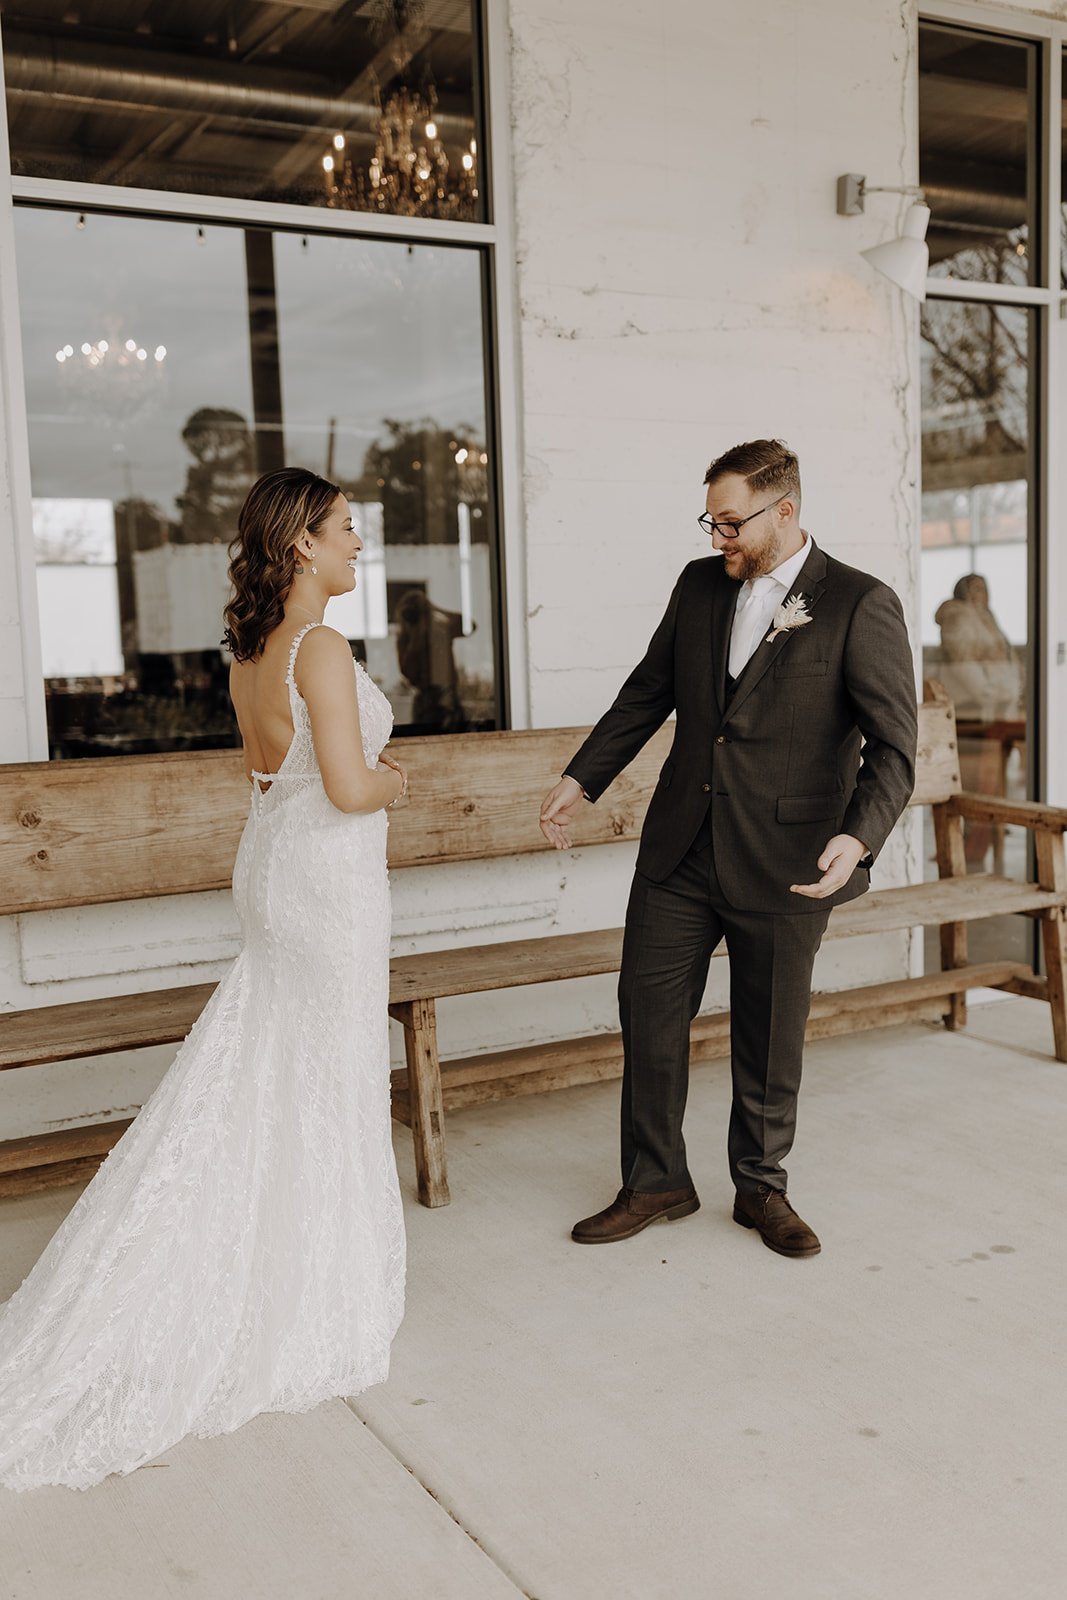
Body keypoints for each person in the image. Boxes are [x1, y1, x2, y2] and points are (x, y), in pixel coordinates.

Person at [0, 468, 408, 1491]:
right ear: (302, 545)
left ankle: (247, 1251)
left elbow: (268, 779)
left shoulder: (249, 654)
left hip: (275, 872)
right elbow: (351, 787)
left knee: (267, 1071)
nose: (360, 545)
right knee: (325, 1077)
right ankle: (310, 1290)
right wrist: (399, 778)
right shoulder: (319, 647)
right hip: (327, 886)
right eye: (347, 530)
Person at [540, 440, 916, 1259]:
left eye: (731, 523)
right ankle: (654, 1180)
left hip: (788, 859)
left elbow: (893, 747)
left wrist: (858, 836)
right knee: (647, 1012)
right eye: (709, 521)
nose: (719, 539)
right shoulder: (699, 585)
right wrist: (583, 777)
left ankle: (760, 1187)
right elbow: (648, 688)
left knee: (768, 1030)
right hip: (680, 849)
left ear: (785, 510)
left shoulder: (859, 603)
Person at [395, 589, 471, 732]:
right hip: (426, 702)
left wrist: (434, 609)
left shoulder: (440, 630)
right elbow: (408, 672)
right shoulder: (405, 639)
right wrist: (415, 640)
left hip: (448, 698)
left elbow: (469, 626)